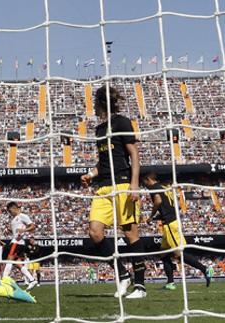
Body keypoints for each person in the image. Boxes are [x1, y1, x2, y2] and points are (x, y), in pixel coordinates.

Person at [80, 85, 146, 299]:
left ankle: (140, 287)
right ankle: (123, 275)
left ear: (99, 103)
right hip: (103, 187)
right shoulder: (99, 130)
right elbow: (103, 162)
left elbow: (134, 154)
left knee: (130, 233)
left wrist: (134, 183)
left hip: (124, 184)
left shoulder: (122, 122)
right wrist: (91, 174)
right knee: (95, 232)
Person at [142, 172, 212, 290]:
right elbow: (168, 207)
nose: (145, 185)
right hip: (170, 222)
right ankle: (170, 283)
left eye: (145, 182)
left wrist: (150, 216)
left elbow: (158, 202)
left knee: (179, 254)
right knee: (163, 255)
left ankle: (205, 269)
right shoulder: (164, 188)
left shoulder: (154, 188)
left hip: (170, 224)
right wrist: (157, 218)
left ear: (149, 179)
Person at [2, 202, 37, 291]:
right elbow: (15, 231)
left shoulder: (22, 216)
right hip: (18, 242)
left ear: (14, 208)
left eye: (10, 211)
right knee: (17, 264)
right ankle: (32, 280)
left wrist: (24, 230)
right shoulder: (14, 219)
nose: (9, 213)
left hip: (17, 242)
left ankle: (4, 281)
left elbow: (33, 226)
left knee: (9, 260)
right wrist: (8, 231)